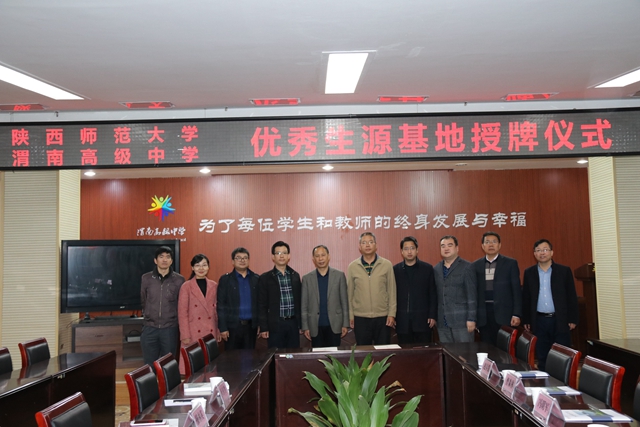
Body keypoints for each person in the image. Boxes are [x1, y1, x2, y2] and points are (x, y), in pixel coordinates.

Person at [522, 239, 579, 370]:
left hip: (560, 319)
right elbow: (526, 298)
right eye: (538, 250)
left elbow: (571, 296)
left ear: (551, 252)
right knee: (542, 355)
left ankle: (562, 381)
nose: (542, 253)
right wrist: (527, 319)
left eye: (545, 250)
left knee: (562, 356)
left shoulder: (564, 271)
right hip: (539, 320)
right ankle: (544, 380)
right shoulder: (529, 272)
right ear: (534, 254)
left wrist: (573, 318)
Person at [471, 231, 522, 346]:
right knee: (487, 347)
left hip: (504, 314)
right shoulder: (475, 265)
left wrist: (516, 314)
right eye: (487, 242)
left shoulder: (510, 263)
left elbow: (516, 291)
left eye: (494, 242)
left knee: (504, 348)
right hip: (484, 315)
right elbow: (474, 292)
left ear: (499, 245)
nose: (491, 245)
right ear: (482, 246)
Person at [347, 232, 397, 345]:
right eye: (364, 242)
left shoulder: (386, 265)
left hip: (382, 317)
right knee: (364, 351)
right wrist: (351, 315)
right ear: (359, 246)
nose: (367, 245)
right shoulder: (353, 267)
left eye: (370, 242)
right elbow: (349, 294)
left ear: (376, 245)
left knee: (383, 351)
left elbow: (392, 291)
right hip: (360, 317)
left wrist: (391, 314)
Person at [140, 246, 185, 368]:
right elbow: (143, 300)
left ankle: (168, 383)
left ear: (171, 261)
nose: (164, 260)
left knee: (168, 365)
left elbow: (181, 304)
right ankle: (151, 382)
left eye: (168, 257)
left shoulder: (179, 280)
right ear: (155, 260)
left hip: (169, 329)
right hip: (150, 328)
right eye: (161, 257)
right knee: (149, 365)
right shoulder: (146, 278)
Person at [177, 254, 219, 374]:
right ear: (192, 268)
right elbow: (182, 312)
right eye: (197, 265)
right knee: (193, 369)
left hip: (210, 330)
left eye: (204, 265)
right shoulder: (186, 286)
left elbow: (217, 310)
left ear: (208, 267)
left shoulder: (214, 285)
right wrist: (184, 334)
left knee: (210, 369)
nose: (201, 268)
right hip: (192, 332)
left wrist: (218, 330)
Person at [301, 245, 349, 348]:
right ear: (313, 259)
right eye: (317, 256)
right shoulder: (307, 278)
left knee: (334, 356)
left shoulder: (339, 275)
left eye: (323, 255)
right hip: (315, 326)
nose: (320, 258)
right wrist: (305, 327)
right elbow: (304, 305)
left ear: (328, 256)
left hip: (335, 325)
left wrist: (345, 324)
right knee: (318, 356)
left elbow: (344, 302)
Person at [258, 241, 302, 349]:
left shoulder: (295, 276)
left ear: (289, 256)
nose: (281, 256)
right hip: (275, 324)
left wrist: (301, 324)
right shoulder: (265, 278)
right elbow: (261, 304)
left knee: (293, 355)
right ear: (273, 257)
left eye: (284, 253)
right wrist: (264, 327)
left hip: (293, 323)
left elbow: (300, 302)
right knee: (276, 354)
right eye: (278, 253)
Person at [393, 236, 437, 344]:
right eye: (406, 249)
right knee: (405, 351)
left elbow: (433, 293)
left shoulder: (427, 269)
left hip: (423, 320)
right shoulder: (395, 270)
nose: (409, 251)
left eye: (412, 248)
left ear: (417, 250)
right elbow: (391, 295)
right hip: (402, 321)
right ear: (401, 251)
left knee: (424, 351)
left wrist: (432, 315)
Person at [434, 235, 477, 343]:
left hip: (462, 322)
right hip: (442, 322)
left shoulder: (467, 267)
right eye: (443, 246)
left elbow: (472, 295)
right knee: (446, 352)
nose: (446, 248)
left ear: (457, 248)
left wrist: (471, 318)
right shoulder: (436, 269)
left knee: (464, 352)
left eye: (450, 245)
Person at [217, 247, 260, 350]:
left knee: (250, 357)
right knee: (232, 358)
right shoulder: (225, 280)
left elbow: (260, 304)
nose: (242, 260)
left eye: (245, 258)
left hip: (251, 327)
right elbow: (221, 305)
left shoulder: (256, 279)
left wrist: (260, 324)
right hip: (232, 328)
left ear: (248, 260)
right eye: (238, 258)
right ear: (233, 261)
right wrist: (223, 328)